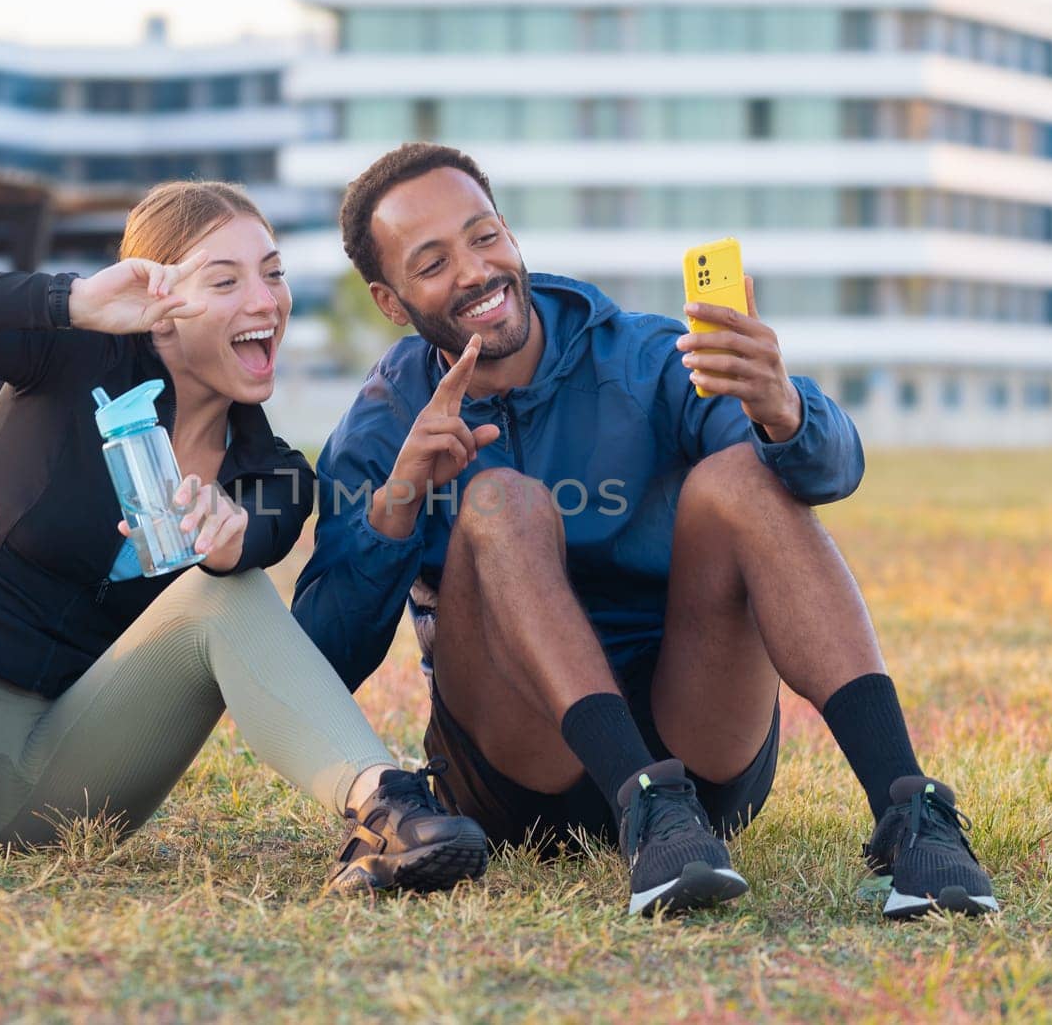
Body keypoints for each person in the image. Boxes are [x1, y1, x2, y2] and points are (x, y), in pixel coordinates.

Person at [292, 143, 998, 920]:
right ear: (391, 302)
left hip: (696, 751)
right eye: (432, 263)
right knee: (500, 503)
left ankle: (912, 812)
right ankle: (642, 802)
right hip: (521, 773)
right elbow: (320, 664)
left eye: (484, 235)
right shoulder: (382, 422)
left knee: (742, 474)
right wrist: (395, 504)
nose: (474, 271)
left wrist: (781, 409)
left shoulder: (645, 356)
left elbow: (825, 475)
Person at [0, 180, 487, 894]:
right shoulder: (68, 360)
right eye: (225, 280)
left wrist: (229, 545)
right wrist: (69, 302)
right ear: (158, 308)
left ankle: (387, 807)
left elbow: (261, 534)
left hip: (56, 788)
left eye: (274, 273)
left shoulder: (277, 473)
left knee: (224, 590)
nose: (265, 301)